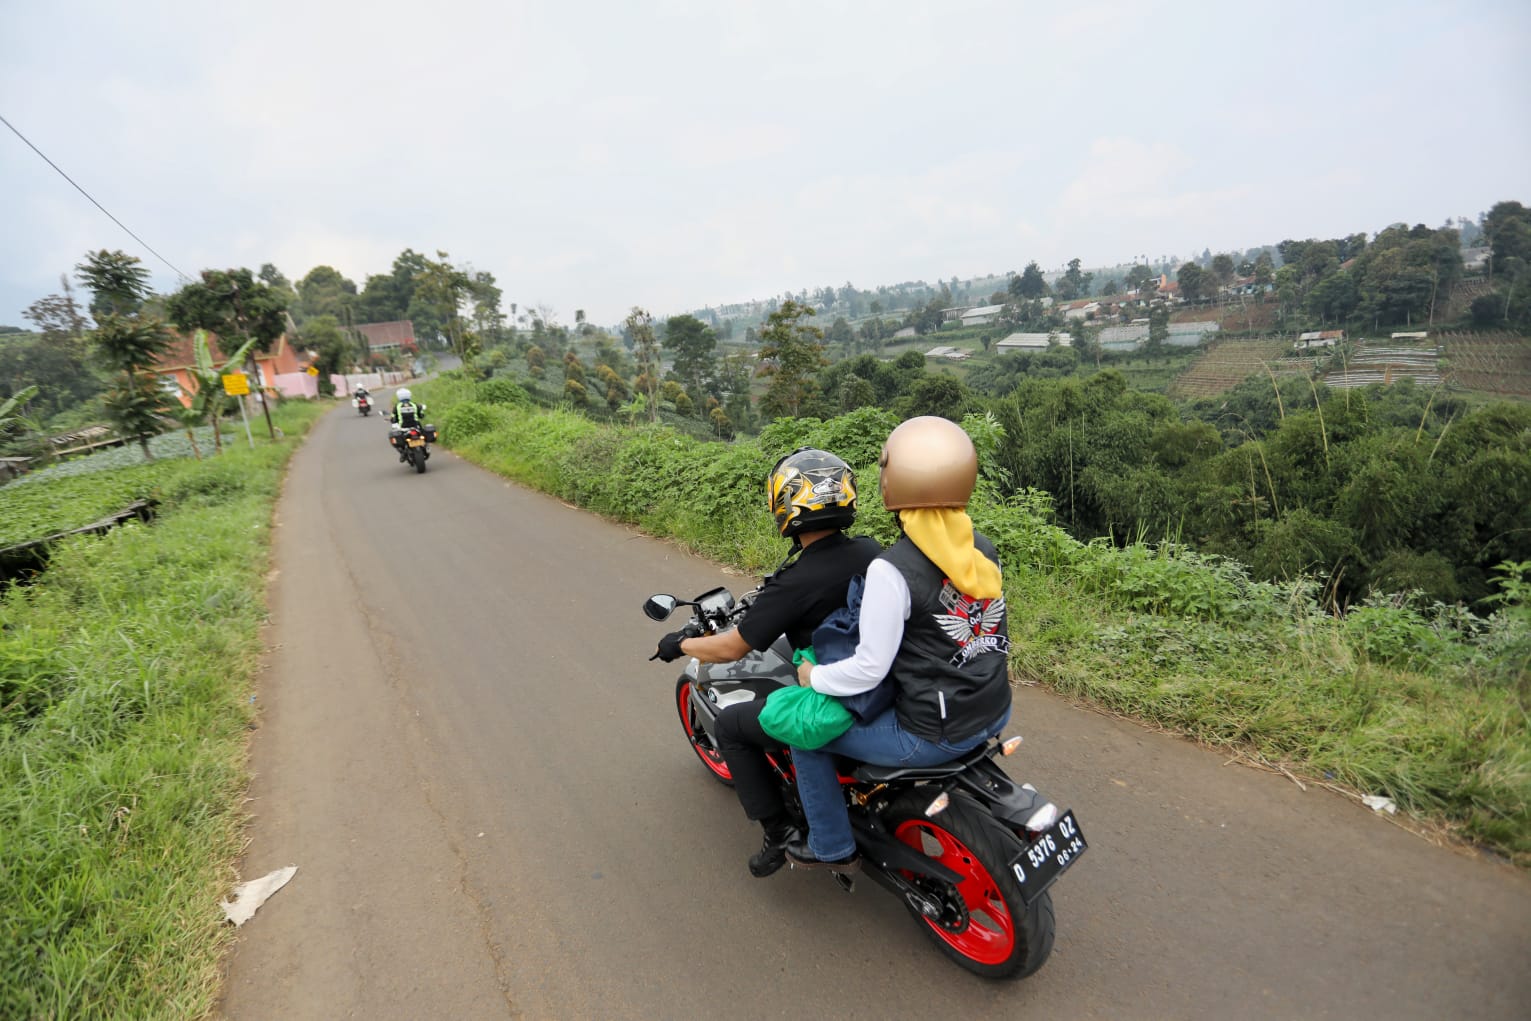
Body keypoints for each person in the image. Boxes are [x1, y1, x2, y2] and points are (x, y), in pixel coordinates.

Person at [785, 417, 1012, 871]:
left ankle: (830, 844)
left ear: (894, 483)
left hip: (931, 734)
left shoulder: (892, 570)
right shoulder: (981, 548)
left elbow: (869, 668)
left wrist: (814, 675)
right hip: (992, 709)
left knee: (803, 736)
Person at [653, 447, 879, 877]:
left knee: (731, 726)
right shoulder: (872, 552)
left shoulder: (797, 582)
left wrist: (679, 646)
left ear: (786, 506)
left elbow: (733, 647)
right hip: (882, 675)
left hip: (837, 689)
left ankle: (779, 832)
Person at [389, 387, 429, 460]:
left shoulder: (397, 406)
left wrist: (393, 420)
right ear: (409, 395)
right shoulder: (414, 405)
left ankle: (403, 453)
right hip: (416, 426)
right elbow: (421, 415)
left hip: (403, 428)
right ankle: (426, 448)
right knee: (423, 435)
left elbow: (393, 417)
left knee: (398, 438)